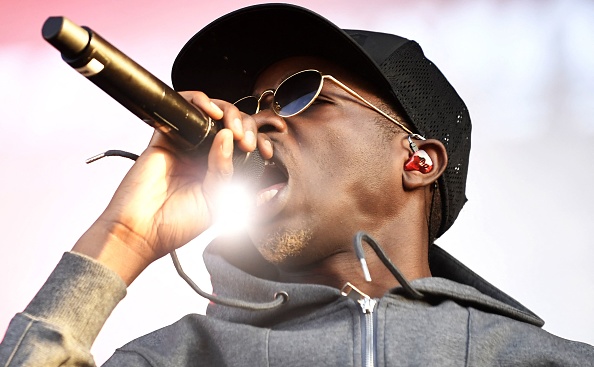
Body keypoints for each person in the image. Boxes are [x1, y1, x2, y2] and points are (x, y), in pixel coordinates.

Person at [1, 3, 593, 366]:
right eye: (248, 105)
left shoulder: (539, 361)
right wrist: (125, 237)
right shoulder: (179, 358)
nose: (256, 121)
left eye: (302, 93)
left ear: (418, 161)